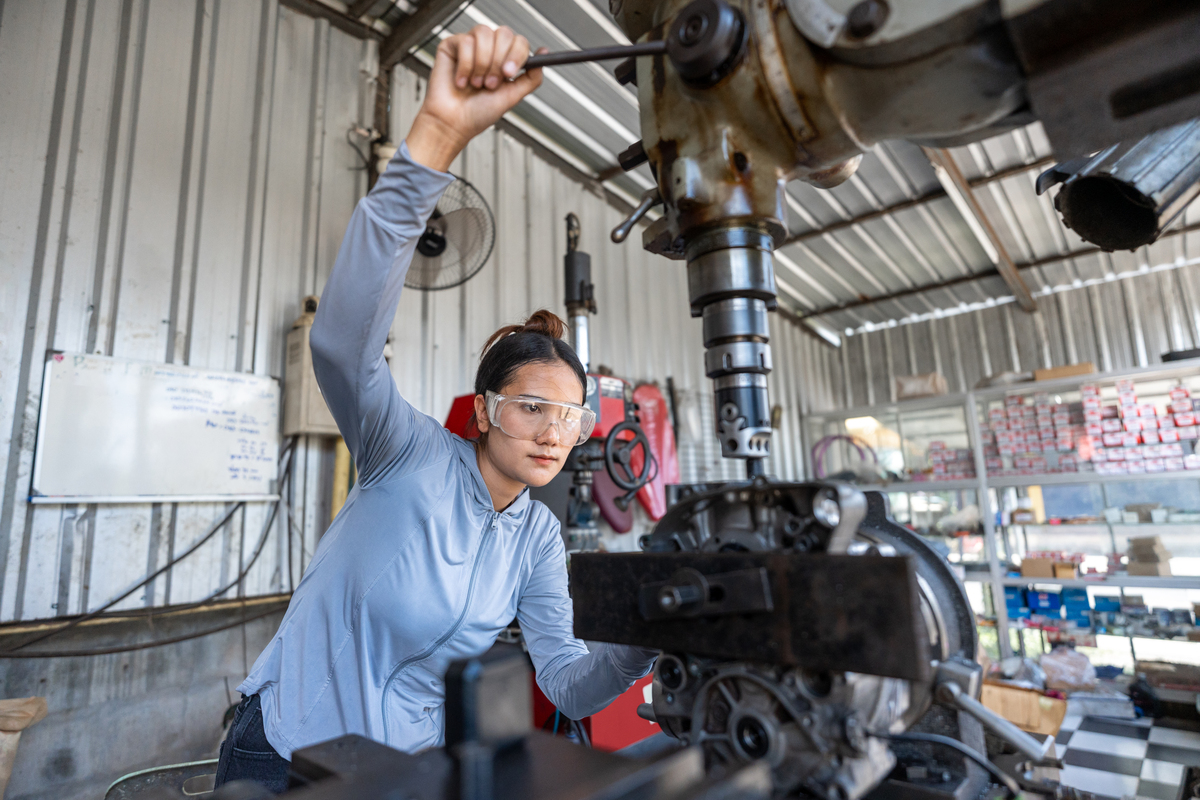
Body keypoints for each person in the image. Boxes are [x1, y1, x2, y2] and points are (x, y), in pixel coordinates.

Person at [213, 24, 658, 793]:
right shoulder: (404, 453)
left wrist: (650, 637)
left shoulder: (536, 540)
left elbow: (567, 683)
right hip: (285, 753)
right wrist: (437, 140)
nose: (556, 434)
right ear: (484, 411)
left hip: (402, 774)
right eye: (531, 408)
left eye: (572, 418)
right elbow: (342, 344)